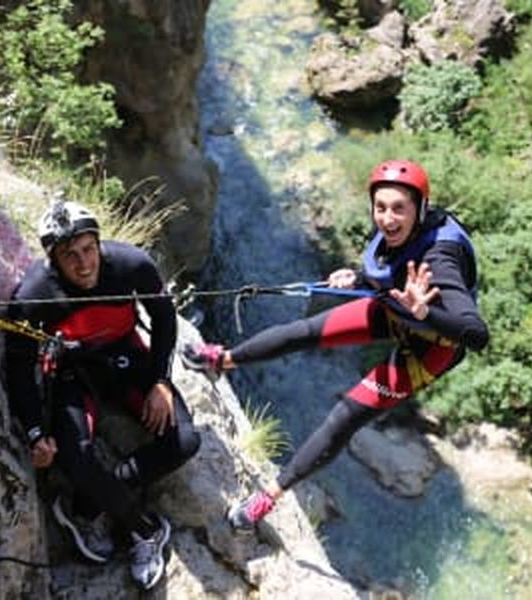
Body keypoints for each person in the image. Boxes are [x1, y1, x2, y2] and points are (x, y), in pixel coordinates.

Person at [183, 159, 488, 532]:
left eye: (398, 209)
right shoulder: (398, 235)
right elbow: (388, 266)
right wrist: (357, 276)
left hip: (431, 347)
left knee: (345, 416)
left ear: (420, 209)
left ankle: (269, 498)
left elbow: (475, 333)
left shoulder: (440, 258)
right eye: (380, 207)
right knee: (304, 331)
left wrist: (425, 313)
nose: (387, 218)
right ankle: (222, 360)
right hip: (397, 310)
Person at [4, 200, 201, 590]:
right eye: (69, 255)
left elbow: (163, 317)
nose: (83, 263)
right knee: (73, 456)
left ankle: (86, 505)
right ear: (53, 259)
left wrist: (161, 380)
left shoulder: (132, 265)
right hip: (74, 372)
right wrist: (32, 431)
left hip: (126, 354)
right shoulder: (33, 296)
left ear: (99, 243)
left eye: (88, 249)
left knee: (184, 440)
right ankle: (144, 530)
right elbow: (18, 368)